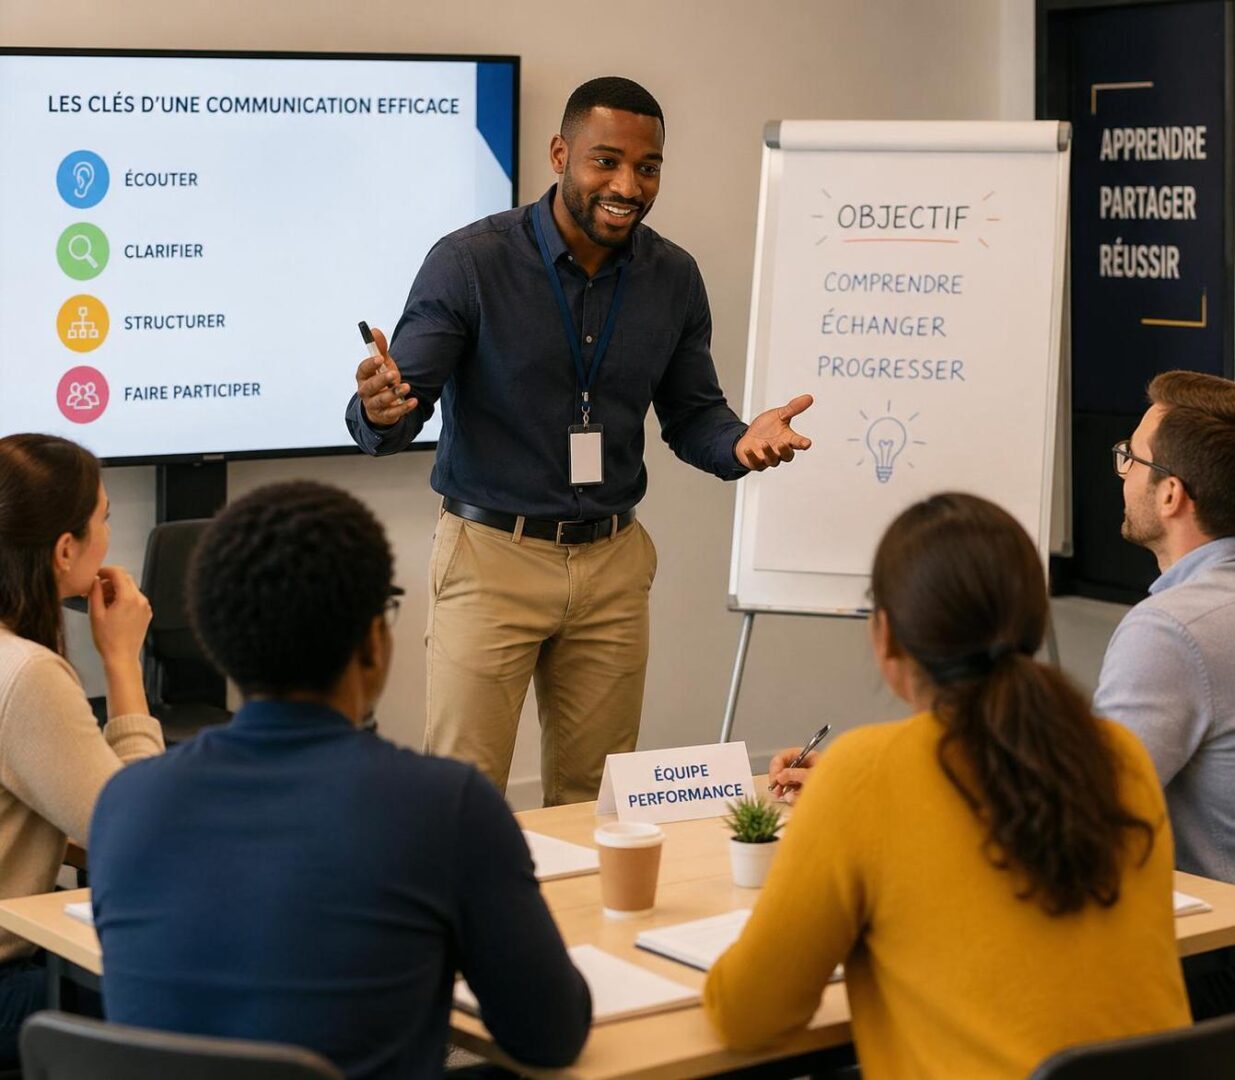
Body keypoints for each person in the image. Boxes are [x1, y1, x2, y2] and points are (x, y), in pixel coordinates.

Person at [346, 76, 812, 805]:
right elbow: (403, 407)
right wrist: (378, 410)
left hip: (611, 567)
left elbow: (693, 419)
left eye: (647, 166)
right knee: (461, 796)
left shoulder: (672, 277)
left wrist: (740, 442)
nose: (627, 184)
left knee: (595, 799)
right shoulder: (471, 263)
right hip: (491, 558)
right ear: (561, 154)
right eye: (605, 162)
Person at [89, 481, 591, 1080]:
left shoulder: (125, 801)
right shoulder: (443, 807)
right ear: (374, 642)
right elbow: (551, 1036)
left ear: (219, 646)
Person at [705, 493, 1189, 1079]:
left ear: (885, 637)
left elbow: (750, 1015)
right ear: (1033, 625)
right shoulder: (1119, 757)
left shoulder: (863, 777)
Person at [0, 434, 163, 1062]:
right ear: (66, 549)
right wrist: (122, 661)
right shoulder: (26, 674)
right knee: (197, 997)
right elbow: (138, 839)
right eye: (104, 519)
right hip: (6, 988)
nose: (107, 539)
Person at [1094, 369, 1235, 1017]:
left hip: (1211, 968)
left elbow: (1088, 809)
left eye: (1130, 457)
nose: (1121, 471)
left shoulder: (1171, 629)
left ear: (1171, 493)